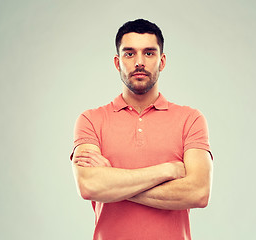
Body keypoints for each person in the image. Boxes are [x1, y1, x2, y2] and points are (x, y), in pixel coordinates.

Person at [70, 19, 213, 240]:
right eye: (129, 54)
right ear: (117, 63)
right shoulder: (90, 120)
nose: (139, 62)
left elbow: (199, 192)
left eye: (149, 53)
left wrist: (114, 183)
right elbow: (90, 186)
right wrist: (168, 170)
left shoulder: (190, 119)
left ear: (162, 61)